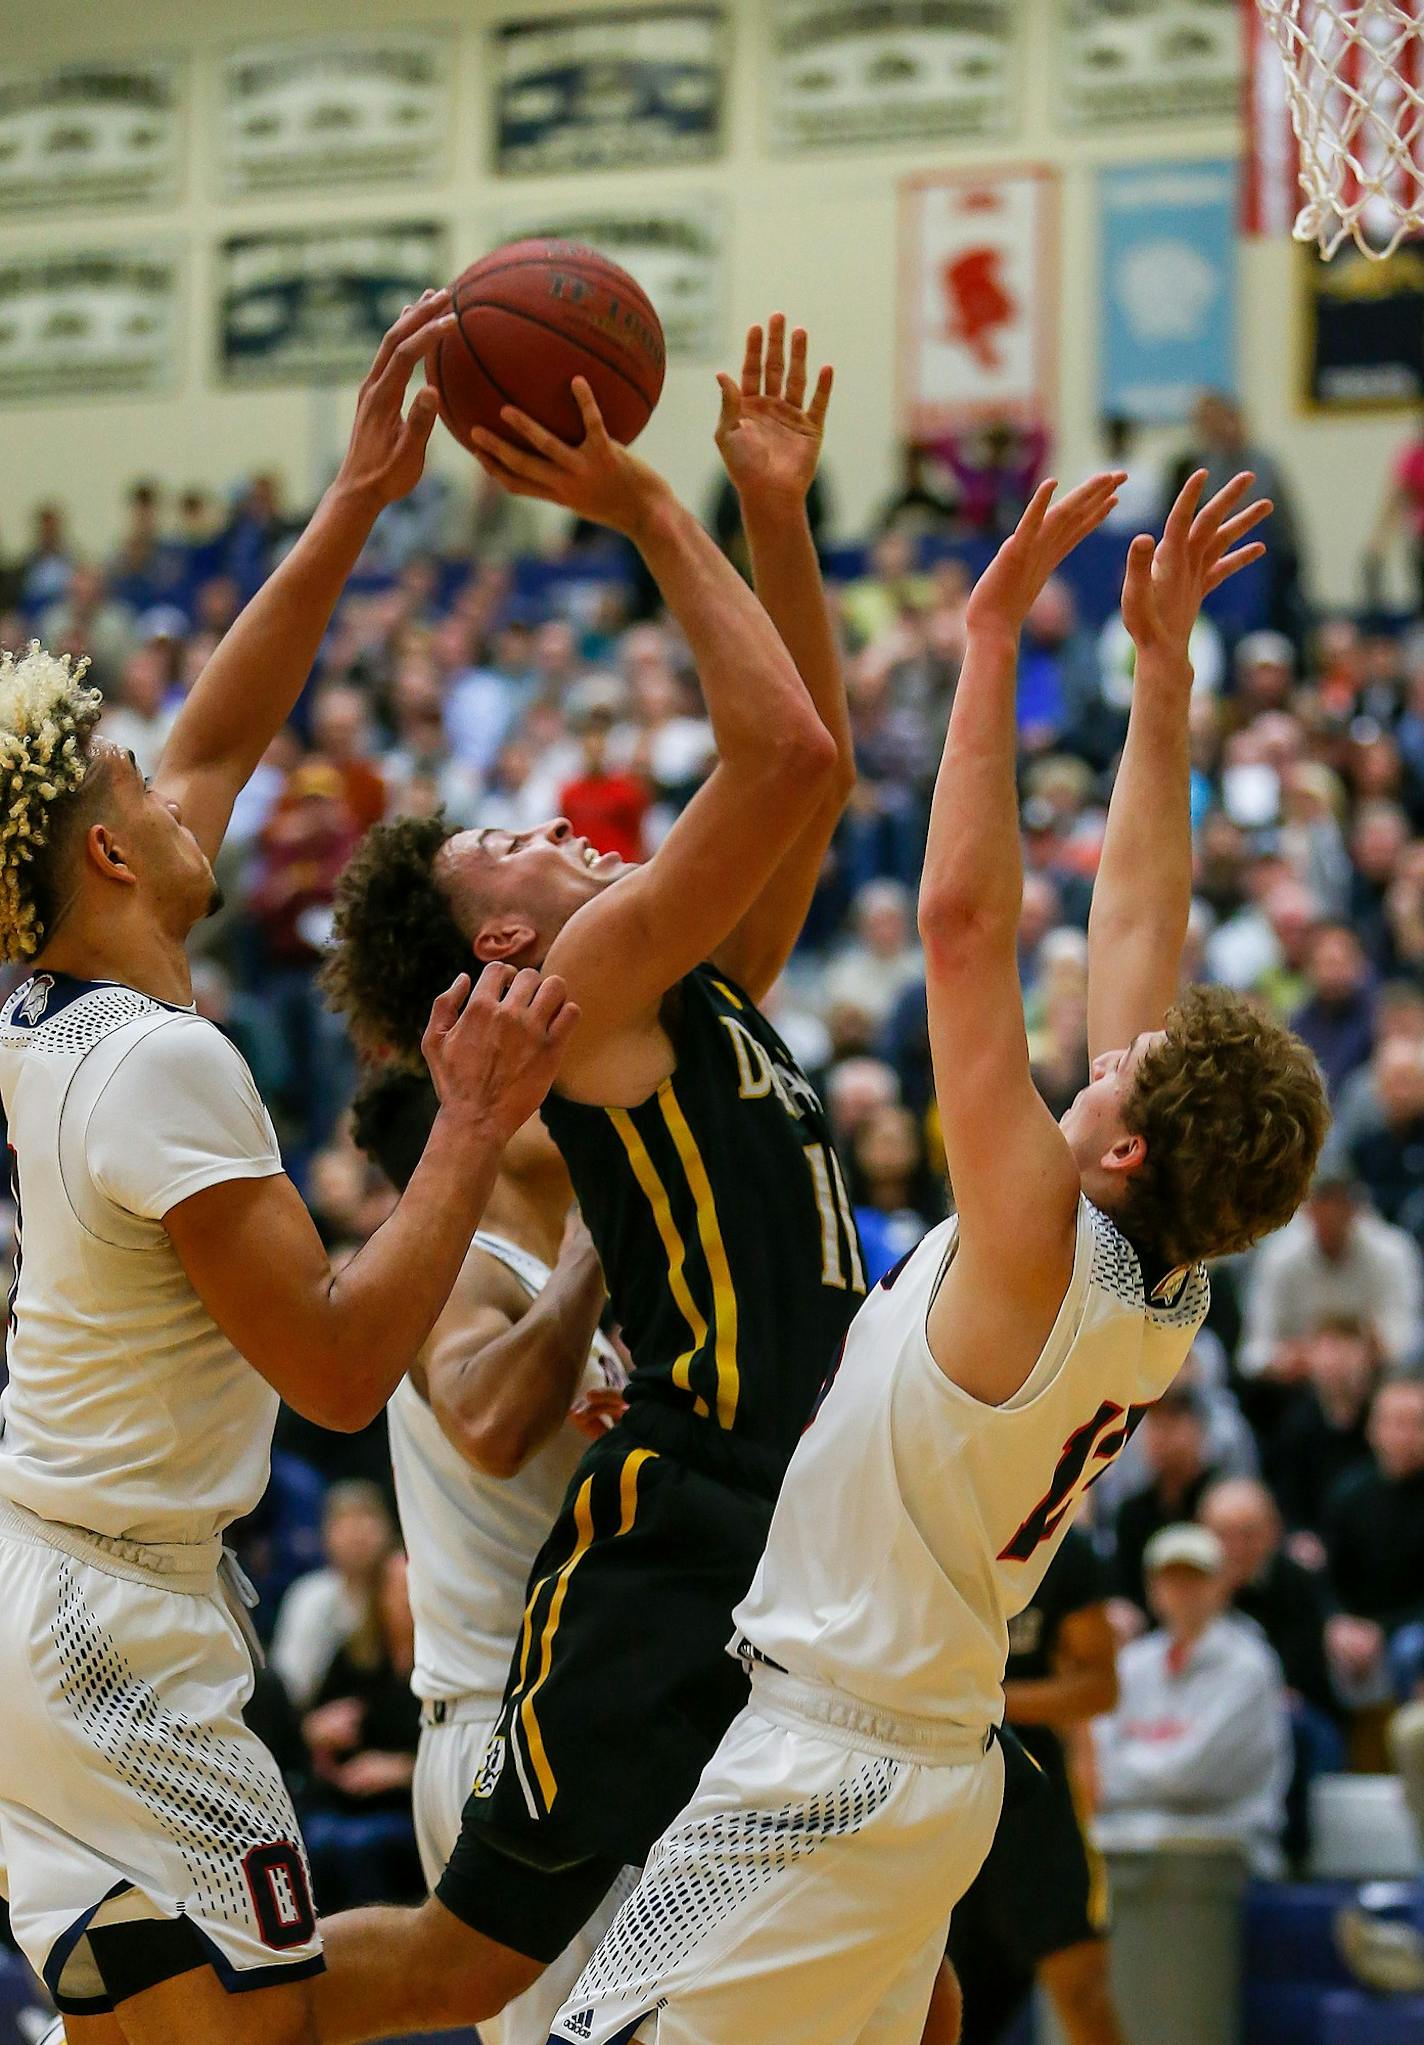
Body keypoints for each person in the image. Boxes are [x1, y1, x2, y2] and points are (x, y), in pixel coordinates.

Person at [544, 472, 1326, 2043]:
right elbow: (1139, 937)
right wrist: (1158, 685)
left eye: (1108, 1077)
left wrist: (986, 636)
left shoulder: (1042, 1239)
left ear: (1122, 1154)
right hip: (926, 1760)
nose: (1102, 1054)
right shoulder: (1160, 1277)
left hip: (830, 1760)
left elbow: (966, 924)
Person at [0, 294, 580, 2045]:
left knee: (200, 2022)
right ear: (108, 849)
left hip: (58, 1586)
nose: (189, 787)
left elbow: (217, 740)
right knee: (272, 2022)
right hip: (111, 1610)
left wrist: (352, 503)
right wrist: (471, 1126)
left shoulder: (48, 1007)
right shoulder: (163, 1063)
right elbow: (335, 1371)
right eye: (143, 788)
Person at [307, 318, 873, 2041]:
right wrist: (644, 505)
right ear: (501, 940)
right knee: (476, 1973)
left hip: (788, 1532)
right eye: (522, 843)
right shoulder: (589, 996)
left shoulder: (676, 987)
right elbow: (768, 757)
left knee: (896, 1990)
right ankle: (143, 2011)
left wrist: (770, 513)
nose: (565, 829)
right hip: (679, 1536)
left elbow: (814, 775)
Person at [350, 1062, 631, 2045]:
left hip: (601, 1718)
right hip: (506, 1729)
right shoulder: (452, 1267)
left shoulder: (555, 1280)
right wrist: (588, 1260)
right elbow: (485, 1420)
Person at [949, 1529, 1126, 2045]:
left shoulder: (1063, 1547)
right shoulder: (923, 1525)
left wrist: (986, 1702)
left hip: (1031, 1794)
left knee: (1080, 1988)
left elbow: (1101, 1687)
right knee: (937, 2000)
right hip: (935, 1783)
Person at [1092, 1525, 1292, 1876]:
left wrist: (1118, 1775)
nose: (1183, 1592)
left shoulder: (1249, 1667)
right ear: (1152, 1590)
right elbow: (1095, 1759)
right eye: (1170, 1580)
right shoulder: (1132, 1663)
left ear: (1222, 1585)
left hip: (1226, 1850)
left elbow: (1193, 1774)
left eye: (1195, 1579)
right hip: (1131, 1839)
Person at [1238, 1168, 1424, 1379]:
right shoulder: (1280, 1257)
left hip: (1376, 1382)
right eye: (1323, 1203)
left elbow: (1408, 1341)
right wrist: (1292, 1358)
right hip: (1298, 1388)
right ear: (1307, 1210)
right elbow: (1254, 1353)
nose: (1332, 1214)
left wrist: (1366, 1351)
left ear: (1356, 1209)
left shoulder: (1392, 1252)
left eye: (1340, 1204)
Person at [270, 1482, 399, 1713]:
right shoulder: (309, 1595)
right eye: (345, 1523)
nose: (357, 1534)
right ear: (325, 1534)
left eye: (367, 1518)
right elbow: (291, 1685)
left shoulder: (402, 1589)